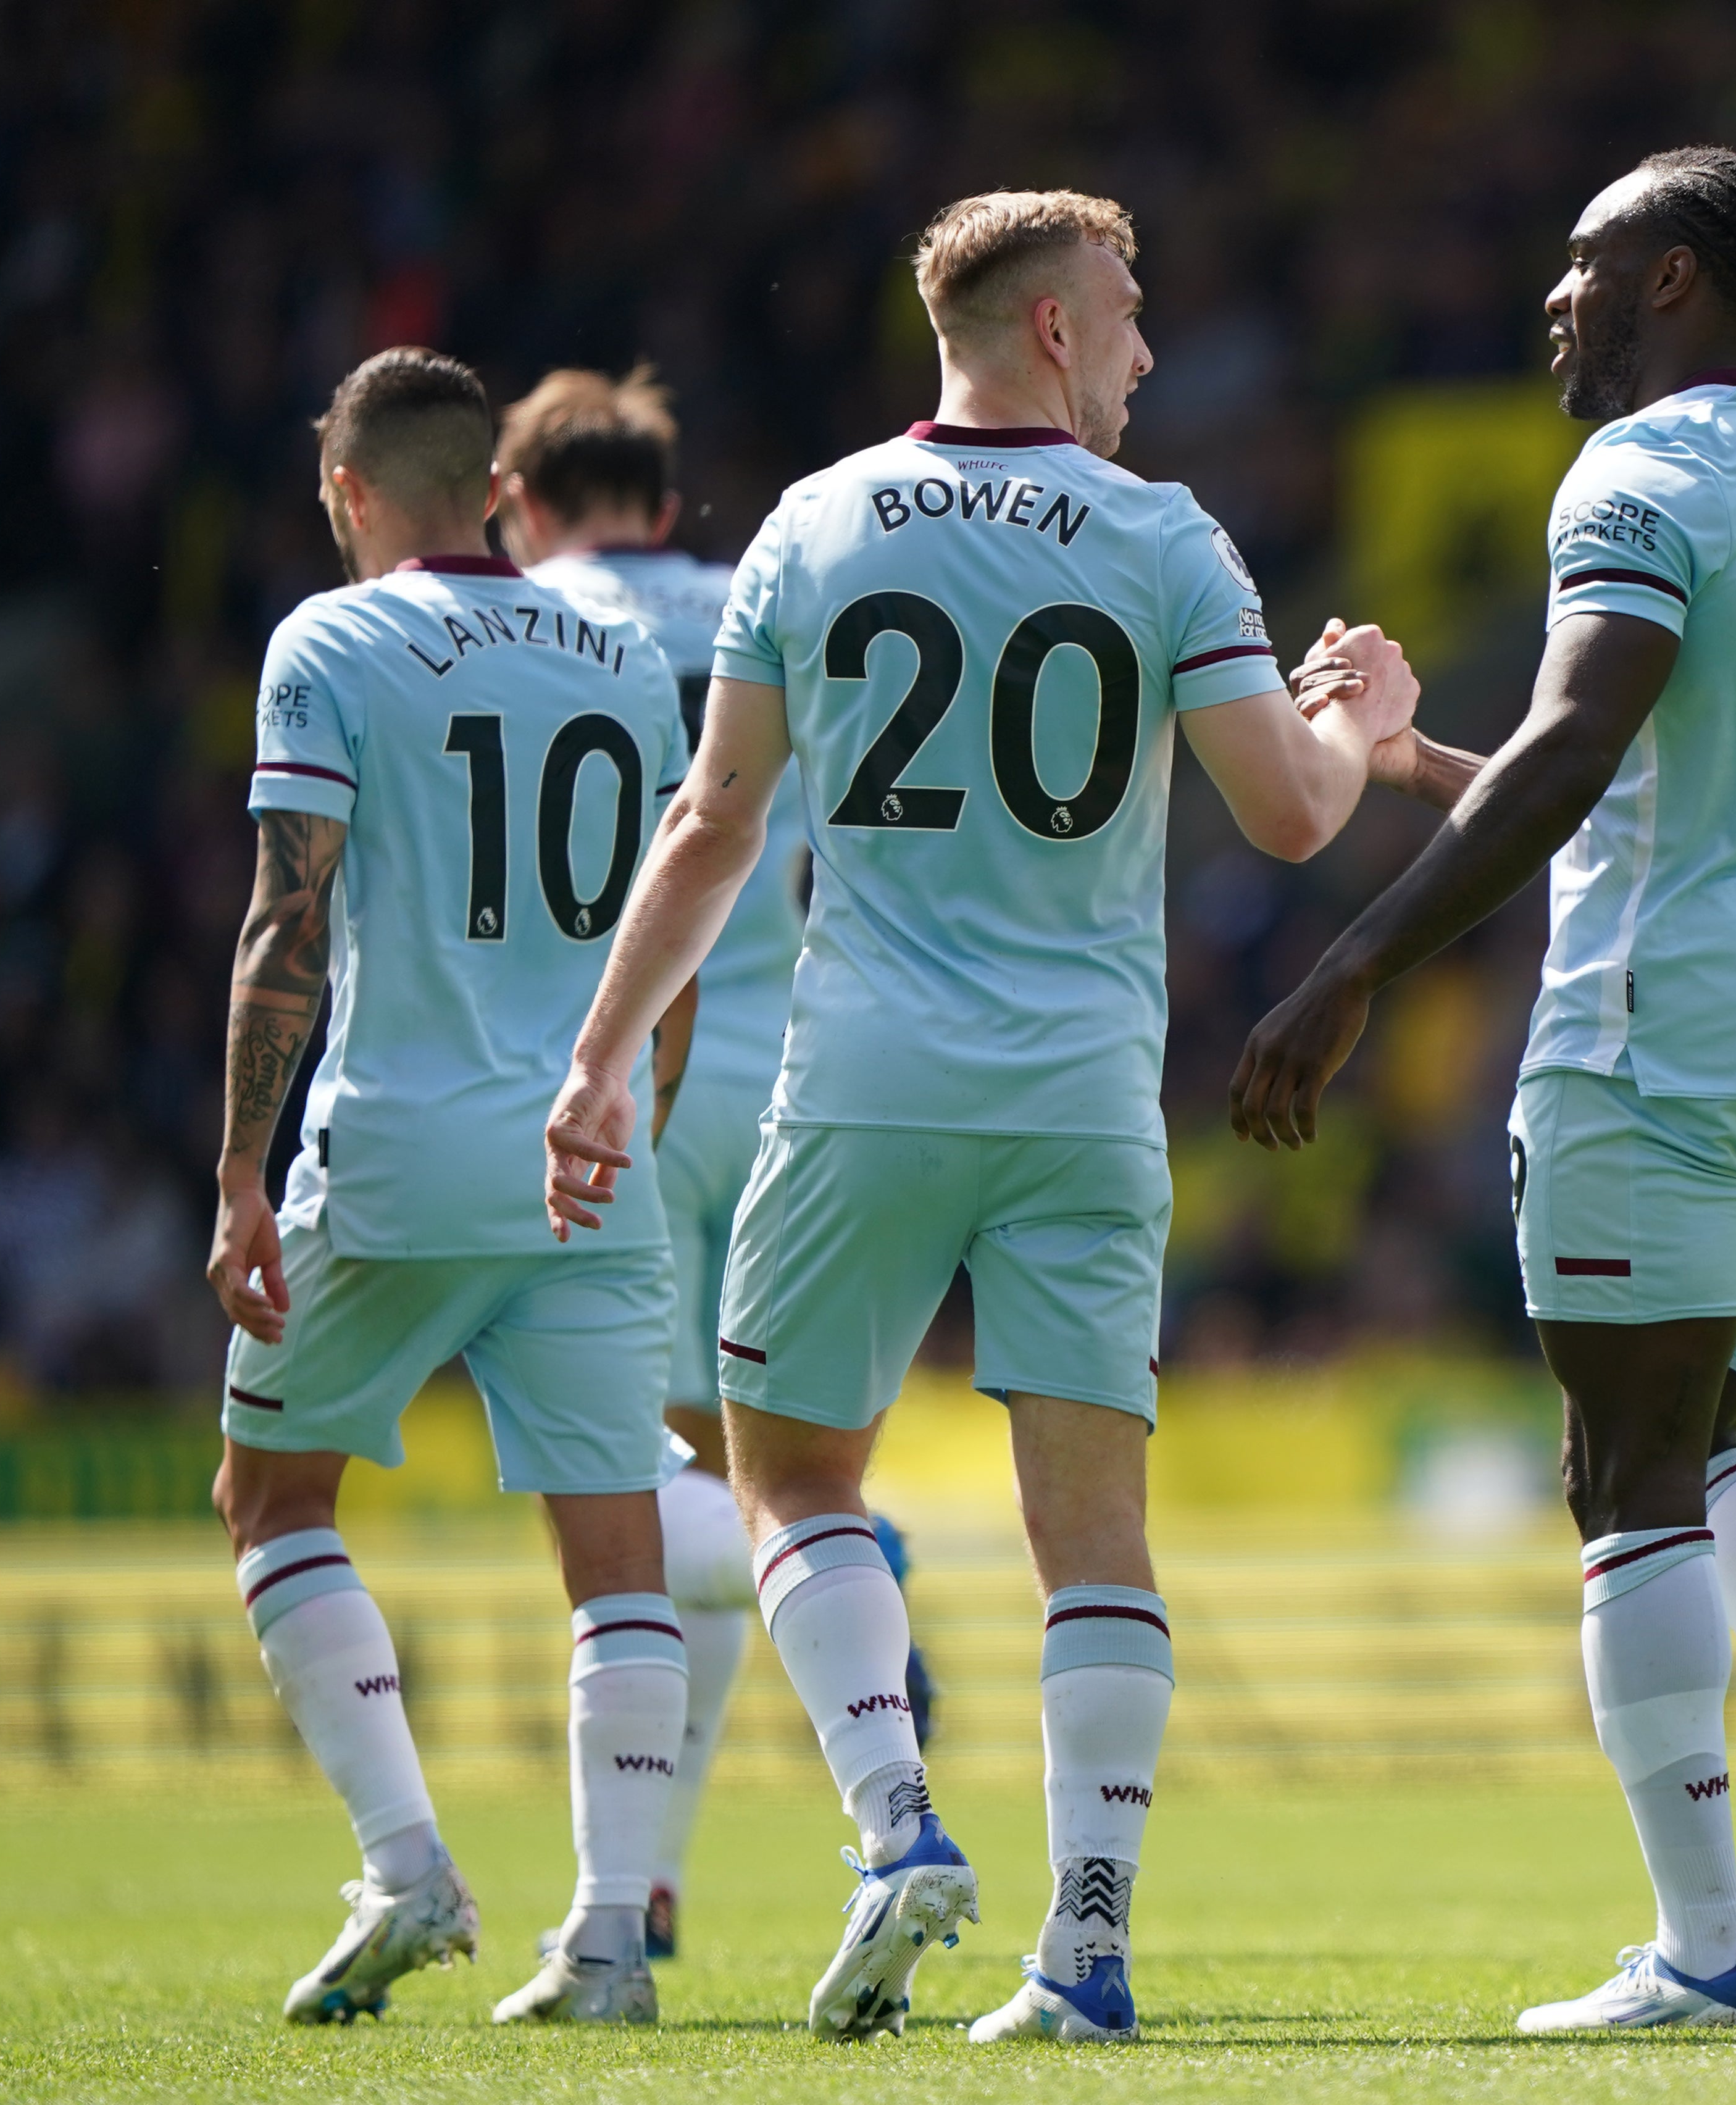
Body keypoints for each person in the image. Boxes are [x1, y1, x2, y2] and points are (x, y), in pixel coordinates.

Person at [540, 188, 1432, 2046]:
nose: (1145, 348)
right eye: (1124, 309)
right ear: (1045, 329)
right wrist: (1362, 712)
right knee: (1091, 1541)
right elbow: (1288, 812)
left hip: (863, 1077)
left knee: (788, 1476)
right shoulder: (1161, 536)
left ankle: (893, 1831)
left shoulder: (816, 519)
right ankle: (1083, 1947)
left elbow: (709, 827)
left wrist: (603, 1053)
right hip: (1084, 1098)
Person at [1227, 146, 1736, 2033]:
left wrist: (1351, 964)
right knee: (1697, 1441)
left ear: (1674, 278)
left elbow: (1586, 743)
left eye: (1585, 266)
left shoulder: (1637, 469)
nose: (1553, 299)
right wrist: (1422, 761)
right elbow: (1649, 760)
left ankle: (1700, 1949)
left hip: (1656, 1015)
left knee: (1618, 1477)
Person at [204, 347, 695, 2025]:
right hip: (592, 1159)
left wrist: (236, 1174)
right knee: (617, 1561)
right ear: (495, 483)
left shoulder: (330, 641)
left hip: (404, 1149)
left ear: (348, 494)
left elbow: (287, 922)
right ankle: (614, 1938)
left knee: (272, 1500)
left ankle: (407, 1864)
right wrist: (641, 1117)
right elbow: (675, 919)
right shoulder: (625, 651)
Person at [498, 365, 935, 1962]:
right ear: (667, 502)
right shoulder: (774, 593)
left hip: (599, 1069)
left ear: (520, 505)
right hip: (779, 1064)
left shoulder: (512, 623)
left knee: (621, 1502)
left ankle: (627, 1883)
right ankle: (663, 1866)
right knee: (752, 1475)